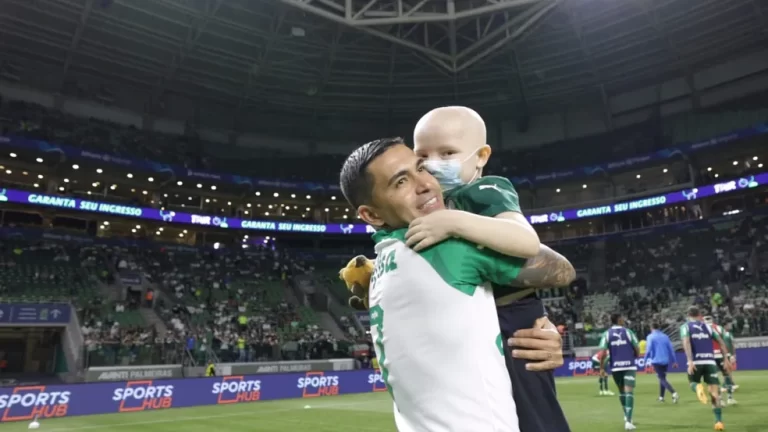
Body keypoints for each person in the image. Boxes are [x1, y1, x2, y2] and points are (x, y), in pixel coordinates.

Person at [339, 138, 574, 432]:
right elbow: (562, 270)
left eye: (421, 168)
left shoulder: (377, 272)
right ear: (372, 215)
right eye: (401, 182)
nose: (425, 184)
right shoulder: (451, 248)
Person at [411, 106, 573, 431]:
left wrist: (454, 221)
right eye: (422, 156)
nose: (431, 164)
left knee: (532, 416)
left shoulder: (483, 191)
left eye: (447, 153)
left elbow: (525, 240)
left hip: (512, 321)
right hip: (466, 329)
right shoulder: (427, 204)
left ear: (481, 156)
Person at [680, 307, 730, 430]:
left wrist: (690, 360)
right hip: (710, 362)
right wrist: (726, 359)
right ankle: (718, 422)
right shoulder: (708, 327)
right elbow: (721, 341)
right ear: (700, 315)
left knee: (693, 382)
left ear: (688, 315)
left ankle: (697, 387)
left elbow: (686, 342)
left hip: (696, 361)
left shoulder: (685, 327)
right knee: (714, 393)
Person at [598, 313, 640, 431]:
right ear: (620, 320)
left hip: (616, 367)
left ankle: (627, 418)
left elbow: (603, 353)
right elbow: (637, 347)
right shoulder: (628, 332)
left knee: (622, 392)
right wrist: (636, 355)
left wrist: (602, 368)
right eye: (623, 318)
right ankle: (628, 420)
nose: (624, 320)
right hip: (629, 366)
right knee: (629, 392)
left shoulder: (606, 334)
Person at [643, 322, 679, 403]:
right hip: (665, 360)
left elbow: (648, 350)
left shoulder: (650, 337)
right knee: (662, 378)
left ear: (651, 328)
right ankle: (661, 397)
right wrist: (675, 361)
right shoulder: (665, 336)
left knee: (661, 378)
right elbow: (671, 350)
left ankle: (674, 392)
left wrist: (644, 360)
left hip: (656, 360)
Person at [704, 317, 737, 405]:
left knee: (714, 378)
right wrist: (728, 355)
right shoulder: (719, 328)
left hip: (709, 356)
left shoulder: (702, 329)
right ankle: (730, 398)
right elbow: (723, 342)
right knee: (726, 375)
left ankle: (720, 399)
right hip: (720, 355)